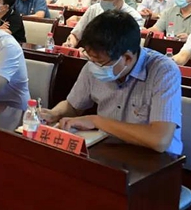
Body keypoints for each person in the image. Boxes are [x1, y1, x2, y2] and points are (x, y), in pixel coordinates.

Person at [41, 10, 182, 154]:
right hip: (108, 149)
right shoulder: (95, 63)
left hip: (154, 158)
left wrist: (96, 121)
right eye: (91, 59)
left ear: (127, 58)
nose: (94, 66)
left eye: (100, 62)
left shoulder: (163, 71)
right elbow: (73, 106)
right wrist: (54, 113)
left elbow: (159, 140)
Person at [65, 0, 144, 47]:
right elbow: (75, 35)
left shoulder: (134, 18)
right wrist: (70, 43)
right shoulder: (94, 9)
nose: (102, 1)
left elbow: (126, 49)